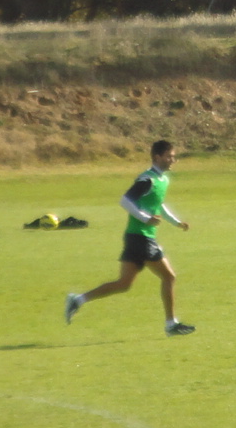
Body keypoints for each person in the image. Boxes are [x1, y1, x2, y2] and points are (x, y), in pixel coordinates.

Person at [64, 139, 195, 335]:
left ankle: (78, 299)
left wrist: (176, 222)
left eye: (173, 156)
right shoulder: (147, 179)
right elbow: (125, 201)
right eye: (169, 156)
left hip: (136, 237)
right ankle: (171, 325)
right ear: (157, 157)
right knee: (169, 276)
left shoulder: (163, 180)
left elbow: (158, 205)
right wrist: (145, 219)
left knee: (123, 284)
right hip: (141, 238)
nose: (172, 160)